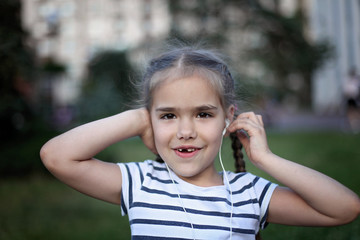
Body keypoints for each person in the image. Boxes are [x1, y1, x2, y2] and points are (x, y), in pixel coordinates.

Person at [40, 47, 360, 239]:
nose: (186, 131)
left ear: (227, 118)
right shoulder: (140, 183)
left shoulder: (248, 192)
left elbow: (344, 209)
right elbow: (56, 156)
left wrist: (266, 159)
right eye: (168, 116)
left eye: (203, 114)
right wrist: (140, 119)